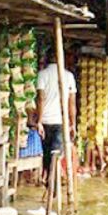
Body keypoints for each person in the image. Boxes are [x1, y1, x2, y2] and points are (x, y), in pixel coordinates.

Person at [36, 51, 77, 182]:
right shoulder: (69, 76)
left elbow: (40, 99)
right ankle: (53, 181)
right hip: (60, 121)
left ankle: (49, 179)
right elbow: (72, 104)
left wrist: (39, 121)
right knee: (56, 153)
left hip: (46, 120)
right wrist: (72, 123)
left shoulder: (42, 75)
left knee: (47, 154)